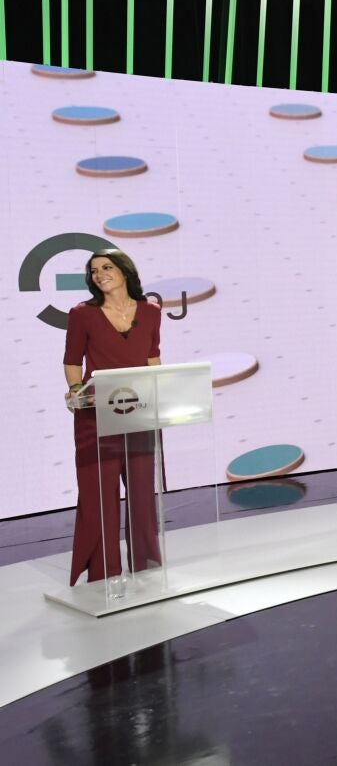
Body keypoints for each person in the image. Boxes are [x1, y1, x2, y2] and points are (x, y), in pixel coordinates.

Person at [62, 249, 163, 586]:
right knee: (99, 495)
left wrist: (160, 392)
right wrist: (76, 390)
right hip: (96, 415)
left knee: (142, 492)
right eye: (93, 271)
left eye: (106, 267)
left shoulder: (150, 311)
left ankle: (145, 563)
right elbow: (72, 360)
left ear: (124, 271)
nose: (99, 274)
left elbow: (152, 357)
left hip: (139, 412)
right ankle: (103, 570)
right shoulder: (82, 314)